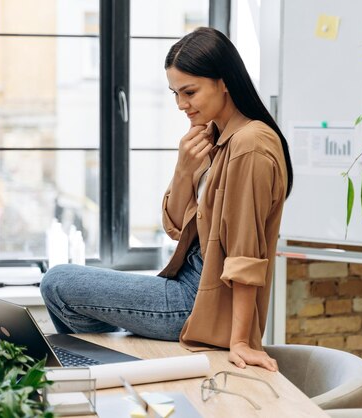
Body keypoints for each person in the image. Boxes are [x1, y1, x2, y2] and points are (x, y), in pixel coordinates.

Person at [40, 27, 293, 372]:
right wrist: (183, 169)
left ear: (224, 81)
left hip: (198, 301)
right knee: (65, 292)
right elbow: (174, 226)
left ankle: (106, 373)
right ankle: (113, 371)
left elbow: (245, 253)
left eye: (189, 92)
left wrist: (239, 342)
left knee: (58, 283)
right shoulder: (212, 137)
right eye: (175, 93)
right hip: (182, 284)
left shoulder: (250, 144)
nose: (180, 104)